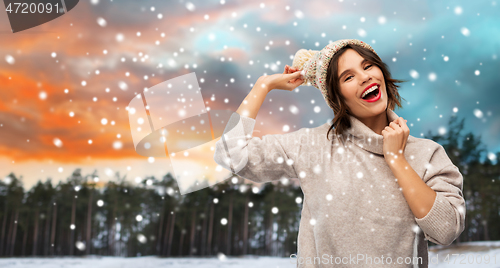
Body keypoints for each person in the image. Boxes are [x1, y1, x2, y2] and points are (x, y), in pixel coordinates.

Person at [213, 39, 465, 267]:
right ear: (338, 98)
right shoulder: (313, 145)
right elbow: (231, 153)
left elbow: (446, 230)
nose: (365, 77)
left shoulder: (426, 153)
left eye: (368, 66)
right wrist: (263, 85)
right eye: (348, 77)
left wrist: (396, 159)